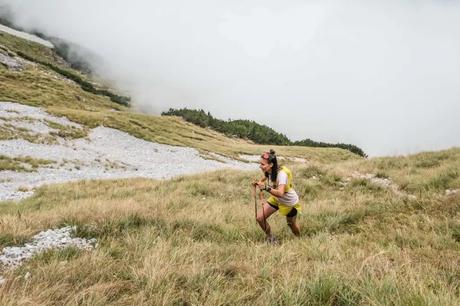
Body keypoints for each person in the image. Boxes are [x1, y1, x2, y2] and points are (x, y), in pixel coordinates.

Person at [253, 149, 301, 243]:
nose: (260, 166)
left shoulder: (282, 175)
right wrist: (259, 182)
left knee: (291, 224)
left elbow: (280, 193)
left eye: (263, 164)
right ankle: (271, 238)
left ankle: (299, 239)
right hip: (276, 199)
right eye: (260, 163)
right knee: (260, 218)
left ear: (271, 165)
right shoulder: (269, 171)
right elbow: (265, 178)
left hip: (289, 202)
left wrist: (266, 187)